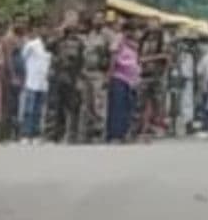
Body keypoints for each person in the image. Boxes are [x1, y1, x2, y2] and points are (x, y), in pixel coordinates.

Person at [50, 21, 86, 143]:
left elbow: (82, 61)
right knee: (59, 107)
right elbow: (48, 46)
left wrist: (80, 78)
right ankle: (58, 134)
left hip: (73, 77)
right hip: (60, 76)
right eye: (69, 31)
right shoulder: (59, 42)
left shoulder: (80, 43)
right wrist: (58, 33)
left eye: (74, 31)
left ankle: (72, 134)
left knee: (74, 107)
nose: (71, 34)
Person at [80, 13, 114, 142]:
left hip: (100, 72)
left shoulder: (108, 35)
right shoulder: (90, 34)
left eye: (100, 19)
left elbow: (112, 56)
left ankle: (100, 132)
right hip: (86, 72)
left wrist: (108, 74)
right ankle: (88, 132)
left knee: (99, 103)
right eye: (95, 18)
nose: (97, 21)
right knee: (87, 103)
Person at [135, 16, 169, 139]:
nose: (152, 25)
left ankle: (158, 127)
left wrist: (149, 59)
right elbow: (138, 54)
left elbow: (166, 55)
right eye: (150, 23)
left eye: (155, 23)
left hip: (157, 74)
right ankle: (142, 128)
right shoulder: (143, 38)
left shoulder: (163, 38)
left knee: (158, 102)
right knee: (141, 102)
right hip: (144, 74)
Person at [106, 25, 141, 142]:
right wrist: (110, 74)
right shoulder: (119, 40)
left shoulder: (134, 44)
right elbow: (113, 58)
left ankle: (125, 132)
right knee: (118, 107)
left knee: (128, 107)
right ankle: (116, 134)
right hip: (119, 78)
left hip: (131, 80)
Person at [18, 21, 51, 144]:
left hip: (43, 83)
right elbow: (23, 59)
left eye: (46, 29)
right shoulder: (31, 45)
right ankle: (25, 134)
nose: (44, 32)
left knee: (39, 111)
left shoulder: (49, 46)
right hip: (31, 81)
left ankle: (36, 134)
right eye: (42, 29)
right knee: (28, 110)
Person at [0, 20, 26, 142]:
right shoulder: (8, 39)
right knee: (8, 106)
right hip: (9, 77)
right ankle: (4, 135)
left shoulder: (20, 39)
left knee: (16, 106)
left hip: (19, 76)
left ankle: (14, 134)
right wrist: (13, 75)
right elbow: (8, 59)